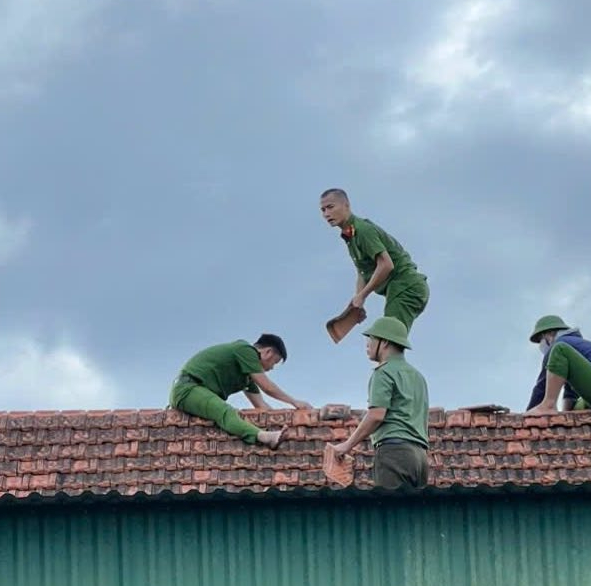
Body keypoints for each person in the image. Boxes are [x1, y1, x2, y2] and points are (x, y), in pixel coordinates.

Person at [331, 317, 430, 488]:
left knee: (390, 512)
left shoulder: (383, 373)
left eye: (371, 339)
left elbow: (376, 415)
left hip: (394, 453)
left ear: (384, 342)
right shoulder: (418, 377)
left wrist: (347, 445)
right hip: (420, 458)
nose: (367, 344)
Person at [169, 334, 312, 448]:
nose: (271, 368)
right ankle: (262, 437)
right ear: (268, 352)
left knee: (224, 410)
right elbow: (267, 386)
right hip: (187, 388)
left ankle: (268, 435)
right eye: (274, 362)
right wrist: (294, 402)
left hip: (198, 394)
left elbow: (262, 406)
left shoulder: (247, 378)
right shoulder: (245, 350)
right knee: (226, 412)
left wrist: (286, 424)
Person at [319, 188, 429, 331]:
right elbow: (362, 272)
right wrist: (357, 303)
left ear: (346, 205)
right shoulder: (350, 235)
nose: (326, 214)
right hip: (400, 289)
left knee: (388, 337)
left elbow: (386, 265)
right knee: (384, 339)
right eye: (323, 210)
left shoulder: (363, 230)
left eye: (330, 207)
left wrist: (363, 295)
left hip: (406, 286)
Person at [525, 315, 591, 415]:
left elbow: (542, 383)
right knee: (576, 408)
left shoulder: (561, 343)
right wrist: (566, 414)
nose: (540, 344)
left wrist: (527, 416)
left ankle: (548, 405)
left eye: (540, 339)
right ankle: (559, 411)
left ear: (549, 334)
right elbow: (571, 390)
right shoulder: (574, 348)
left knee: (560, 349)